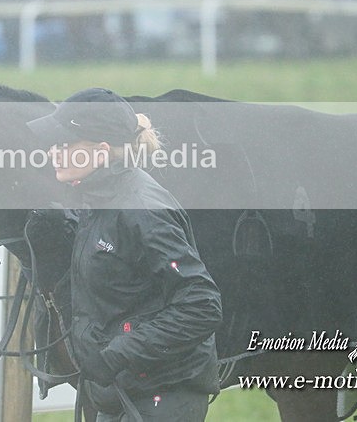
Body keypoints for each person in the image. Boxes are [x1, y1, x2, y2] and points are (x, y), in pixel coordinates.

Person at [26, 88, 222, 421]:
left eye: (64, 144)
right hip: (120, 393)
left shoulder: (143, 211)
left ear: (101, 152)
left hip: (163, 395)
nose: (53, 153)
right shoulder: (97, 198)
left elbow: (202, 305)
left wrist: (116, 355)